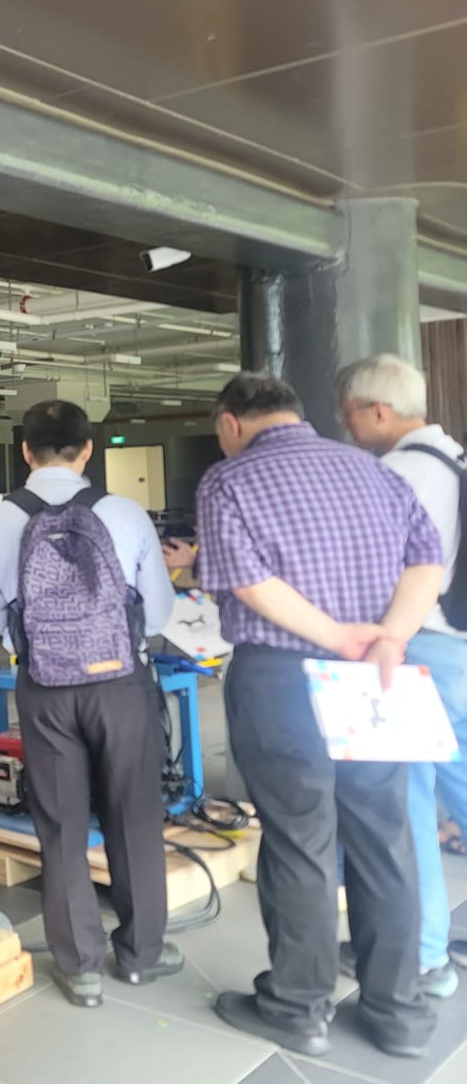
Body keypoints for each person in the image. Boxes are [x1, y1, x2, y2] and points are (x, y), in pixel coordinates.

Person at [198, 372, 441, 1060]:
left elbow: (246, 579)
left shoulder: (229, 480)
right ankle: (399, 1012)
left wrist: (335, 636)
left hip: (283, 679)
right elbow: (428, 560)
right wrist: (390, 637)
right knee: (383, 836)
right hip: (377, 676)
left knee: (299, 839)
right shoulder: (374, 471)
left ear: (230, 424)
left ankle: (297, 1007)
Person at [0, 400, 179, 1008]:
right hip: (120, 684)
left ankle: (80, 967)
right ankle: (141, 953)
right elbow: (158, 613)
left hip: (43, 687)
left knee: (60, 823)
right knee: (133, 813)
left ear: (25, 451)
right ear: (88, 449)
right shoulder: (124, 513)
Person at [337, 353, 465, 1000]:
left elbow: (380, 574)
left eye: (351, 415)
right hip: (458, 650)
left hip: (411, 648)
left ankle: (421, 955)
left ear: (379, 411)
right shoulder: (455, 458)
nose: (349, 427)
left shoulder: (395, 474)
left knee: (404, 798)